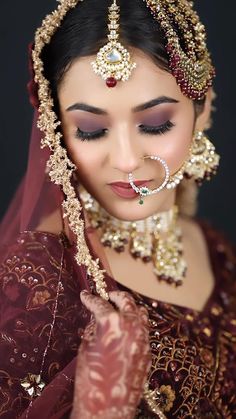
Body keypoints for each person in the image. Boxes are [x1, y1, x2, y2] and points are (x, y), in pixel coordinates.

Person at [0, 0, 235, 417]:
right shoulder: (37, 282)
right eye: (91, 130)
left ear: (204, 110)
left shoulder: (217, 249)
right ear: (55, 133)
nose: (126, 160)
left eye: (157, 122)